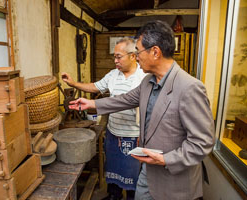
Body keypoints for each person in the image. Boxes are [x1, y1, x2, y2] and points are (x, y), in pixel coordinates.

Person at [68, 20, 215, 200]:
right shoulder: (148, 82)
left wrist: (165, 160)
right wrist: (92, 104)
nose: (136, 56)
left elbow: (203, 142)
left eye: (138, 51)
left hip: (173, 180)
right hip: (148, 172)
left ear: (155, 52)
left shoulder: (189, 87)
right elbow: (125, 99)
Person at [62, 37, 146, 200]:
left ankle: (131, 197)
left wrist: (93, 103)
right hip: (113, 132)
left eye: (118, 56)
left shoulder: (143, 77)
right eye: (114, 56)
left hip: (134, 135)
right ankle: (113, 196)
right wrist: (74, 84)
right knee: (112, 168)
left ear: (132, 56)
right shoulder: (113, 75)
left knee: (132, 174)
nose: (115, 60)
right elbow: (95, 86)